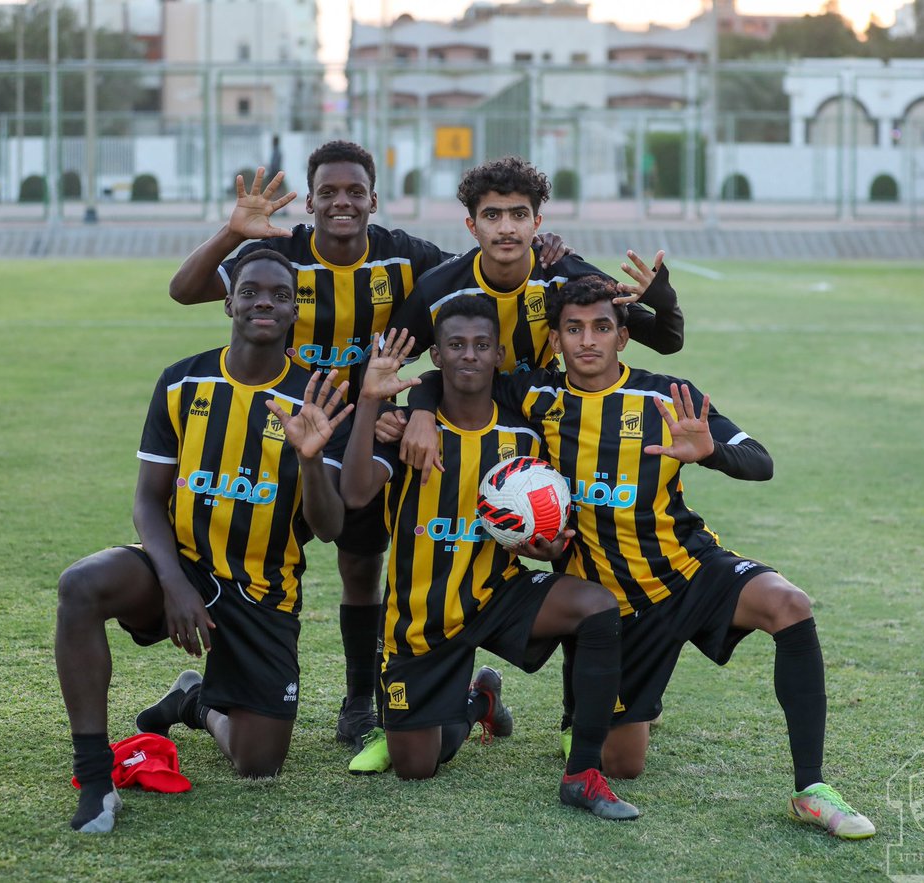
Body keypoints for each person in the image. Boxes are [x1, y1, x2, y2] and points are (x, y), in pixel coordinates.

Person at [406, 275, 876, 839]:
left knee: (790, 605)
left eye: (602, 328)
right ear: (553, 340)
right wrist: (418, 411)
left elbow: (760, 460)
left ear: (622, 337)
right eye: (573, 329)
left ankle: (812, 789)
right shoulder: (537, 396)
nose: (588, 341)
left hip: (688, 571)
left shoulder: (665, 396)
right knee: (623, 764)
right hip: (612, 608)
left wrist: (711, 452)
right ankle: (574, 704)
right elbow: (449, 377)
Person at [165, 141, 574, 768]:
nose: (342, 203)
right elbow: (183, 290)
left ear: (373, 200)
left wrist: (542, 257)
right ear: (310, 199)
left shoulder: (404, 257)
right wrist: (229, 232)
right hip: (284, 427)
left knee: (377, 562)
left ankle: (362, 702)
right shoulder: (281, 254)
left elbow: (472, 276)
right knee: (279, 558)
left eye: (355, 191)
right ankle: (240, 689)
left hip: (369, 431)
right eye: (328, 192)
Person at [55, 249, 352, 833]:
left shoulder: (317, 397)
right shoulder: (183, 380)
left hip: (262, 589)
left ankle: (194, 701)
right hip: (180, 567)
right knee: (80, 585)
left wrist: (312, 461)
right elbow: (147, 501)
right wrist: (174, 585)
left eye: (279, 295)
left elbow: (329, 528)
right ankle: (94, 778)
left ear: (295, 312)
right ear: (229, 303)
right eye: (250, 291)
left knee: (259, 761)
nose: (263, 301)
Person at [336, 296, 639, 820]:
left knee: (595, 604)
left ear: (500, 354)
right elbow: (357, 493)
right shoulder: (409, 429)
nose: (469, 355)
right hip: (421, 620)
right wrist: (369, 403)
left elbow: (546, 511)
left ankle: (583, 768)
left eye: (481, 345)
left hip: (498, 594)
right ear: (437, 355)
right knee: (416, 766)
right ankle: (480, 701)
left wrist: (548, 545)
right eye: (455, 345)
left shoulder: (523, 435)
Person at [385, 155, 683, 487]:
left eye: (519, 215)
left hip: (543, 420)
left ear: (536, 223)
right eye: (492, 215)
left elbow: (666, 340)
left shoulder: (567, 276)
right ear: (472, 226)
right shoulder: (438, 288)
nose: (507, 228)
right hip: (461, 423)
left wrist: (666, 304)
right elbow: (384, 364)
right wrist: (402, 413)